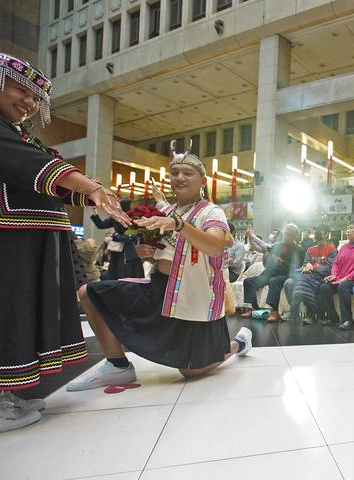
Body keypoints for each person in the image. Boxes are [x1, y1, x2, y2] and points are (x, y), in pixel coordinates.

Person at [0, 51, 130, 435]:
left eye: (35, 98)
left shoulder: (14, 131)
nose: (29, 103)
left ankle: (2, 398)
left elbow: (49, 178)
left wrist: (92, 195)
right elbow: (28, 165)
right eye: (20, 91)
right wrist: (93, 188)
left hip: (21, 241)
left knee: (17, 314)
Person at [66, 141, 252, 392]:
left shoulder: (211, 212)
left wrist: (177, 225)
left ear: (202, 181)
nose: (180, 178)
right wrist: (148, 254)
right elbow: (169, 254)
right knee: (88, 293)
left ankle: (239, 342)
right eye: (175, 173)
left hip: (190, 297)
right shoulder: (171, 211)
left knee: (191, 370)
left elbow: (215, 247)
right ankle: (117, 364)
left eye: (188, 173)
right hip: (159, 289)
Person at [242, 223, 303, 322]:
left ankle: (275, 312)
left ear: (294, 236)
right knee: (248, 281)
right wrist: (251, 236)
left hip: (285, 275)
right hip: (270, 273)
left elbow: (296, 268)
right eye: (285, 233)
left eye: (289, 234)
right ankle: (254, 309)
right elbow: (263, 246)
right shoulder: (277, 246)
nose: (286, 236)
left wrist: (281, 262)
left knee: (274, 281)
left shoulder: (298, 249)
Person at [317, 220, 354, 329]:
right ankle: (333, 317)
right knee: (324, 287)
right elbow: (336, 263)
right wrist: (334, 275)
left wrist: (347, 277)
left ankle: (347, 320)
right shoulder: (343, 247)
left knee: (343, 287)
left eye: (351, 228)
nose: (348, 230)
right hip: (340, 278)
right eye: (347, 228)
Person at [291, 224, 337, 325]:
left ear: (326, 234)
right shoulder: (310, 249)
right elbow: (305, 263)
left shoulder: (331, 249)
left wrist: (314, 267)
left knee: (303, 283)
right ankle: (315, 311)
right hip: (309, 275)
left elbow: (330, 268)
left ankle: (311, 312)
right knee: (298, 279)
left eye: (320, 232)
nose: (317, 234)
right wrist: (307, 265)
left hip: (323, 276)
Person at [90, 199, 144, 280]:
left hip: (129, 252)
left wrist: (116, 235)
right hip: (117, 250)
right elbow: (100, 225)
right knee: (114, 274)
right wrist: (94, 210)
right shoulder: (115, 217)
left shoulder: (134, 219)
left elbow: (130, 237)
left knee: (126, 276)